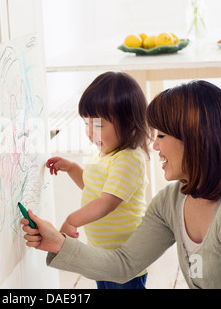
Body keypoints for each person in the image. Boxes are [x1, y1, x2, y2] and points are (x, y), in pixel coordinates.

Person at [23, 80, 221, 289]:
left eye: (161, 136)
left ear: (196, 139)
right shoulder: (172, 201)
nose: (154, 146)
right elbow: (125, 264)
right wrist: (59, 243)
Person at [46, 72, 151, 289]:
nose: (90, 133)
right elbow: (94, 188)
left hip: (124, 260)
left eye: (99, 125)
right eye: (87, 123)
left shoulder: (129, 159)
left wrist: (72, 220)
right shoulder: (103, 153)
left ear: (129, 122)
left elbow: (106, 202)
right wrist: (72, 168)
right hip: (102, 255)